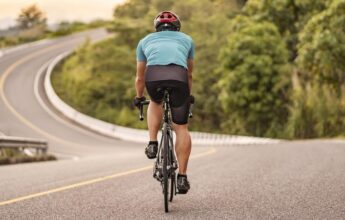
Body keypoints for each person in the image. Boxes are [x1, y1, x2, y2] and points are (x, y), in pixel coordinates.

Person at [133, 11, 194, 194]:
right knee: (181, 128)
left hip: (154, 77)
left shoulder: (144, 41)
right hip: (179, 77)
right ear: (177, 27)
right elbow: (189, 74)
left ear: (156, 27)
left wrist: (138, 97)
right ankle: (182, 177)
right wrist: (187, 95)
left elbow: (139, 77)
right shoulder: (188, 40)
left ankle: (152, 142)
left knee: (155, 101)